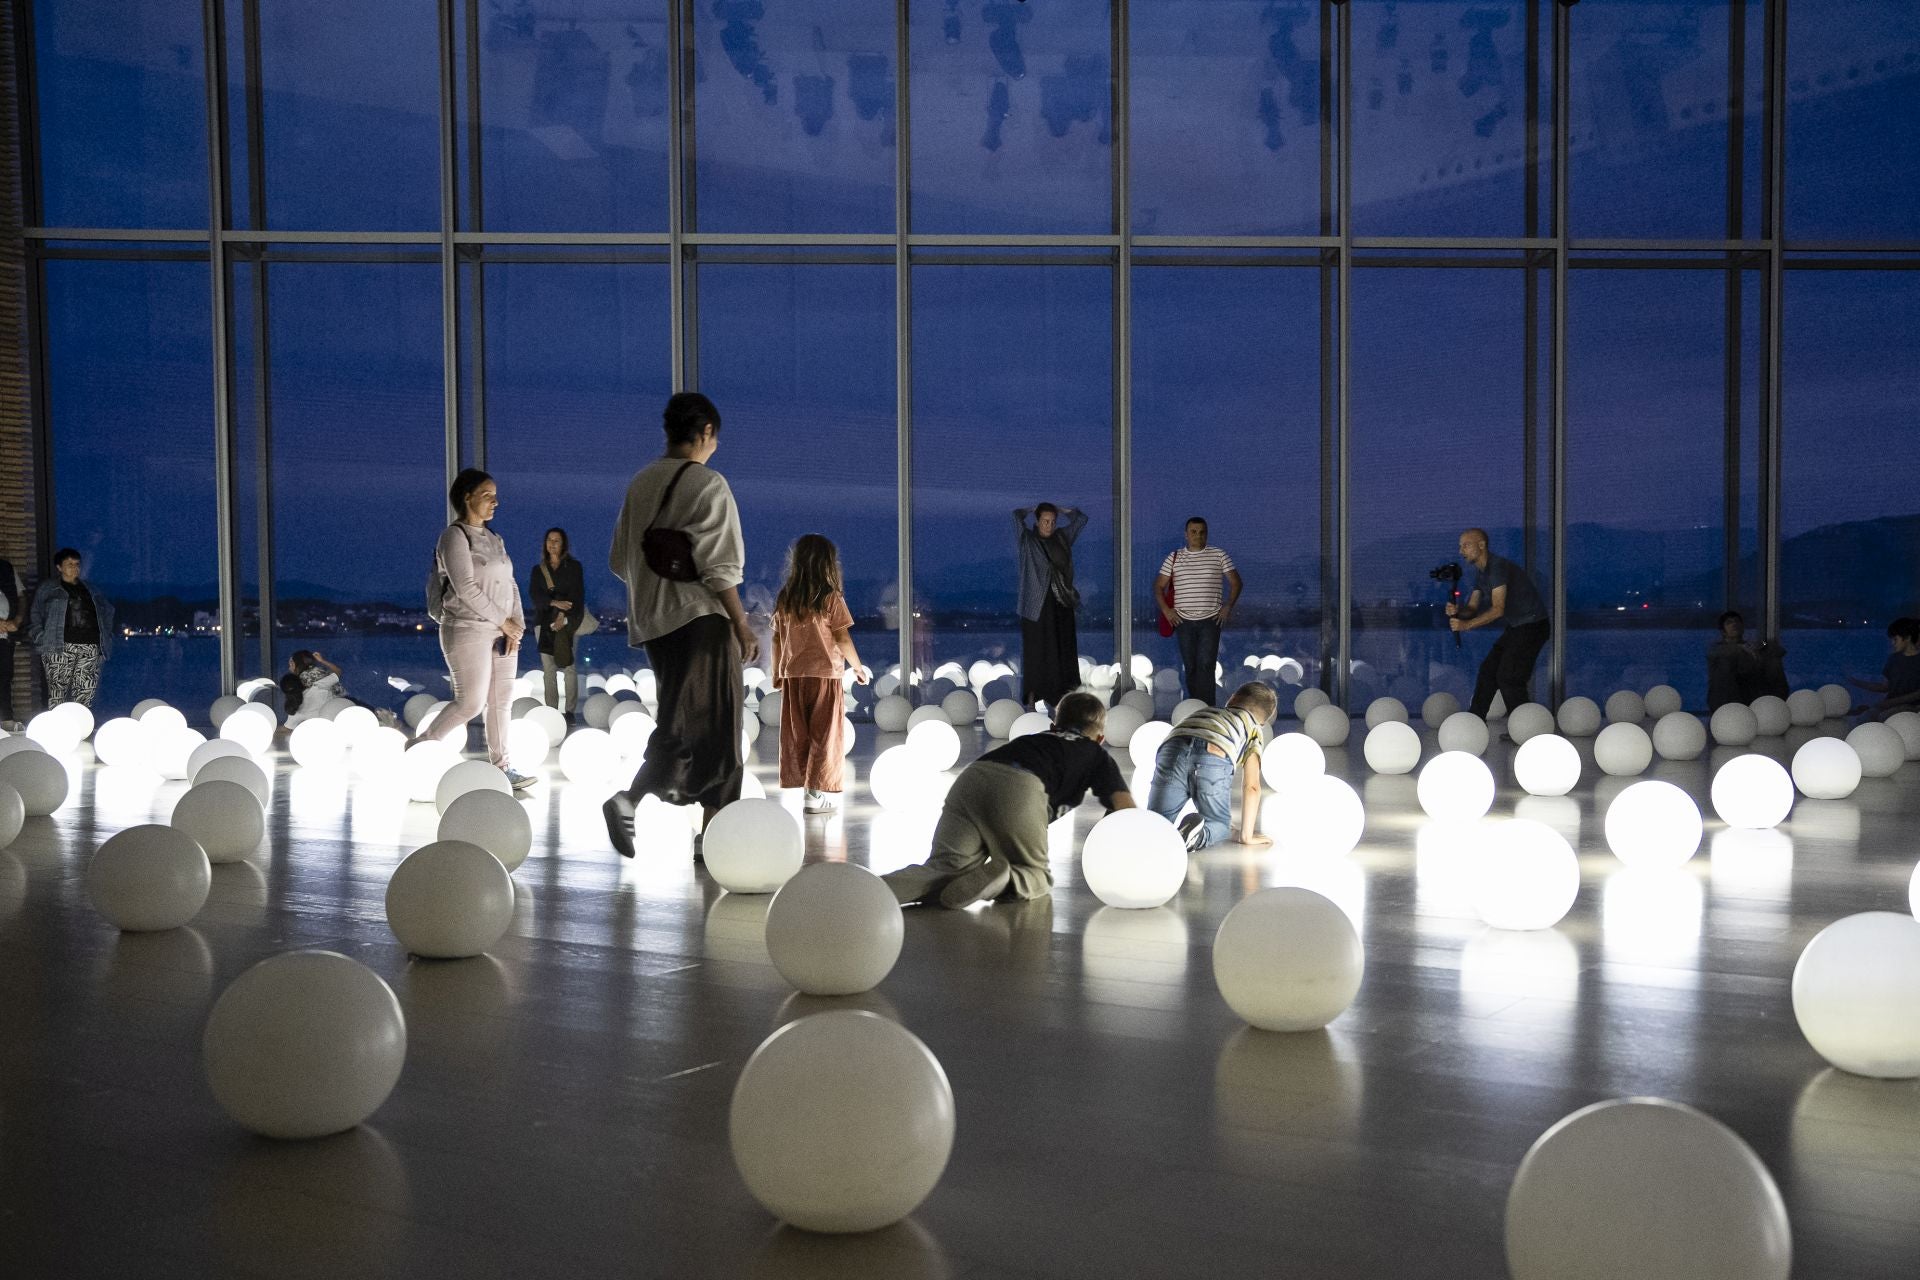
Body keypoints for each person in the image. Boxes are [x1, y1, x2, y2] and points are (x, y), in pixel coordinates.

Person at [604, 392, 757, 858]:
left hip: (654, 623)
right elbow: (720, 567)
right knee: (718, 734)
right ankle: (643, 804)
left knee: (683, 722)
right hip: (702, 622)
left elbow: (619, 560)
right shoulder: (708, 484)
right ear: (705, 432)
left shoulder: (640, 483)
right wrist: (742, 625)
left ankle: (694, 832)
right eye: (715, 438)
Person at [883, 691, 1135, 909]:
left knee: (944, 867)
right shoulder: (1095, 754)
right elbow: (1125, 808)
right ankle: (1006, 879)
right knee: (1035, 875)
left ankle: (872, 891)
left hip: (973, 778)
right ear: (1100, 738)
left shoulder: (1035, 739)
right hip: (1020, 787)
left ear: (1053, 726)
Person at [425, 469, 533, 789]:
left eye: (495, 495)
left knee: (501, 702)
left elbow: (510, 584)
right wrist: (504, 622)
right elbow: (466, 589)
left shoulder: (495, 538)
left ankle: (503, 767)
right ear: (467, 497)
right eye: (487, 495)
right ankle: (419, 749)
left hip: (501, 630)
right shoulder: (454, 536)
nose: (495, 502)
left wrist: (517, 627)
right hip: (467, 628)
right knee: (470, 702)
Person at [772, 534, 870, 815]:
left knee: (798, 735)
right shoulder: (830, 597)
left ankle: (807, 790)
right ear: (828, 564)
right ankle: (815, 795)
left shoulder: (785, 598)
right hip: (825, 676)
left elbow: (777, 639)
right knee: (824, 736)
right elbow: (842, 638)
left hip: (793, 677)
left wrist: (778, 671)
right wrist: (858, 667)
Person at [1146, 681, 1277, 853]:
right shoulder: (1253, 728)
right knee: (1220, 826)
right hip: (1213, 753)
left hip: (1171, 749)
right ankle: (1197, 836)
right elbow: (1252, 786)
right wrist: (1246, 835)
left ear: (1232, 699)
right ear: (1263, 722)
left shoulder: (1207, 711)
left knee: (1156, 822)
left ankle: (1139, 831)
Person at [1447, 528, 1549, 722]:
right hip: (1518, 627)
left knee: (1509, 678)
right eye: (1460, 547)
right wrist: (1458, 612)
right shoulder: (1482, 574)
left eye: (1466, 545)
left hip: (1534, 626)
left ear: (1482, 545)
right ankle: (1474, 722)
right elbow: (1472, 608)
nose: (1461, 551)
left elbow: (1498, 609)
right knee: (1488, 671)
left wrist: (1466, 625)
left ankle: (1524, 728)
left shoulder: (1497, 568)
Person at [1155, 517, 1242, 706]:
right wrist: (1167, 611)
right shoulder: (1174, 557)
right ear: (1186, 535)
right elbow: (1159, 586)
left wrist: (1228, 606)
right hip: (1182, 620)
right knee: (1191, 666)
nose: (1198, 535)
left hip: (1210, 620)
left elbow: (1236, 582)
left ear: (1207, 534)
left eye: (1202, 532)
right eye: (1193, 532)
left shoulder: (1219, 555)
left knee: (1206, 665)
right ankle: (1194, 705)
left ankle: (1207, 708)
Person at [1014, 503, 1088, 710]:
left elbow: (1081, 520)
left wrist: (1064, 511)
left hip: (1061, 601)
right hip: (1035, 605)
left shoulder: (1062, 538)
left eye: (1053, 521)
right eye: (1045, 521)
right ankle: (1032, 698)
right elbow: (1015, 517)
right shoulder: (1028, 540)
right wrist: (1029, 509)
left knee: (1062, 650)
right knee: (1036, 652)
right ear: (1037, 522)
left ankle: (1060, 699)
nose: (1049, 525)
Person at [27, 548, 113, 710]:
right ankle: (56, 730)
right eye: (69, 564)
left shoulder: (91, 589)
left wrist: (106, 635)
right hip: (59, 646)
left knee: (85, 692)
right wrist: (41, 637)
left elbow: (107, 611)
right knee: (57, 692)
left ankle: (81, 728)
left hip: (90, 646)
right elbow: (35, 614)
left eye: (77, 564)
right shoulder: (48, 588)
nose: (75, 567)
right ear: (59, 567)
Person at [529, 526, 586, 721]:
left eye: (557, 541)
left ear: (564, 545)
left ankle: (570, 711)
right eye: (549, 540)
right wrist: (553, 602)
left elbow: (577, 595)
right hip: (543, 623)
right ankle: (551, 711)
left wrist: (562, 615)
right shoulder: (538, 570)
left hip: (568, 622)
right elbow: (535, 596)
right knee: (548, 669)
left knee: (569, 666)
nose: (552, 544)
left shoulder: (574, 567)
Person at [1706, 609, 1789, 711]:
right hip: (1732, 694)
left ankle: (1777, 704)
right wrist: (1742, 650)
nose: (1734, 624)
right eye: (1729, 622)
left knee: (1772, 659)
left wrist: (1766, 644)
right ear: (1723, 631)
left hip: (1753, 687)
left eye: (1737, 621)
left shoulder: (1750, 645)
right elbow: (1719, 655)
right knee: (1726, 662)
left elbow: (1764, 644)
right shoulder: (1718, 649)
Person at [1847, 617, 1920, 719]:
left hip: (1912, 708)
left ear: (1907, 638)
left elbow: (1917, 694)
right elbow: (1885, 687)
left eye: (1895, 639)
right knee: (1865, 716)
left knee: (1879, 717)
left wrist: (1890, 702)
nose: (1892, 643)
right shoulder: (1893, 659)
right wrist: (1855, 682)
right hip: (1891, 704)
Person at [0, 552, 23, 728]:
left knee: (5, 676)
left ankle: (6, 720)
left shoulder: (6, 567)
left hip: (6, 635)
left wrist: (17, 620)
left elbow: (22, 596)